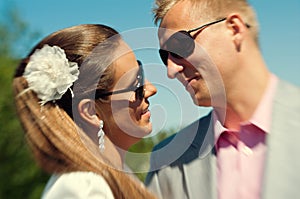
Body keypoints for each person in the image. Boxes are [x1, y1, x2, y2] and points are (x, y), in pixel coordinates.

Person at [145, 0, 300, 199]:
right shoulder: (165, 161)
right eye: (164, 56)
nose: (171, 70)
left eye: (178, 46)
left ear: (234, 29)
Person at [13, 24, 158, 198]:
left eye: (140, 70)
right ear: (91, 112)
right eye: (136, 83)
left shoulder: (116, 175)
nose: (151, 89)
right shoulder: (84, 189)